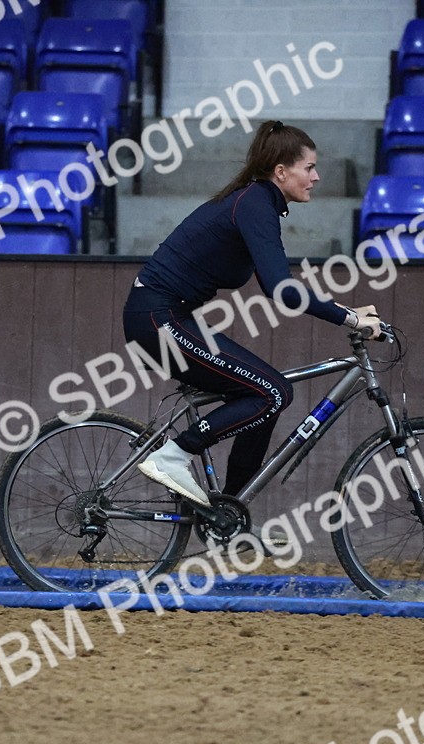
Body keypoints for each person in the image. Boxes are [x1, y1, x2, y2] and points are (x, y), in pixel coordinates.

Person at [122, 120, 382, 507]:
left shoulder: (257, 203)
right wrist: (347, 320)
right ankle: (173, 456)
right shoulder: (255, 203)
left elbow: (279, 284)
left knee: (266, 397)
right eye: (309, 167)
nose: (317, 176)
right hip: (157, 320)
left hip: (166, 317)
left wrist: (345, 310)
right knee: (273, 392)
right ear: (281, 171)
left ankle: (231, 511)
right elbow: (281, 289)